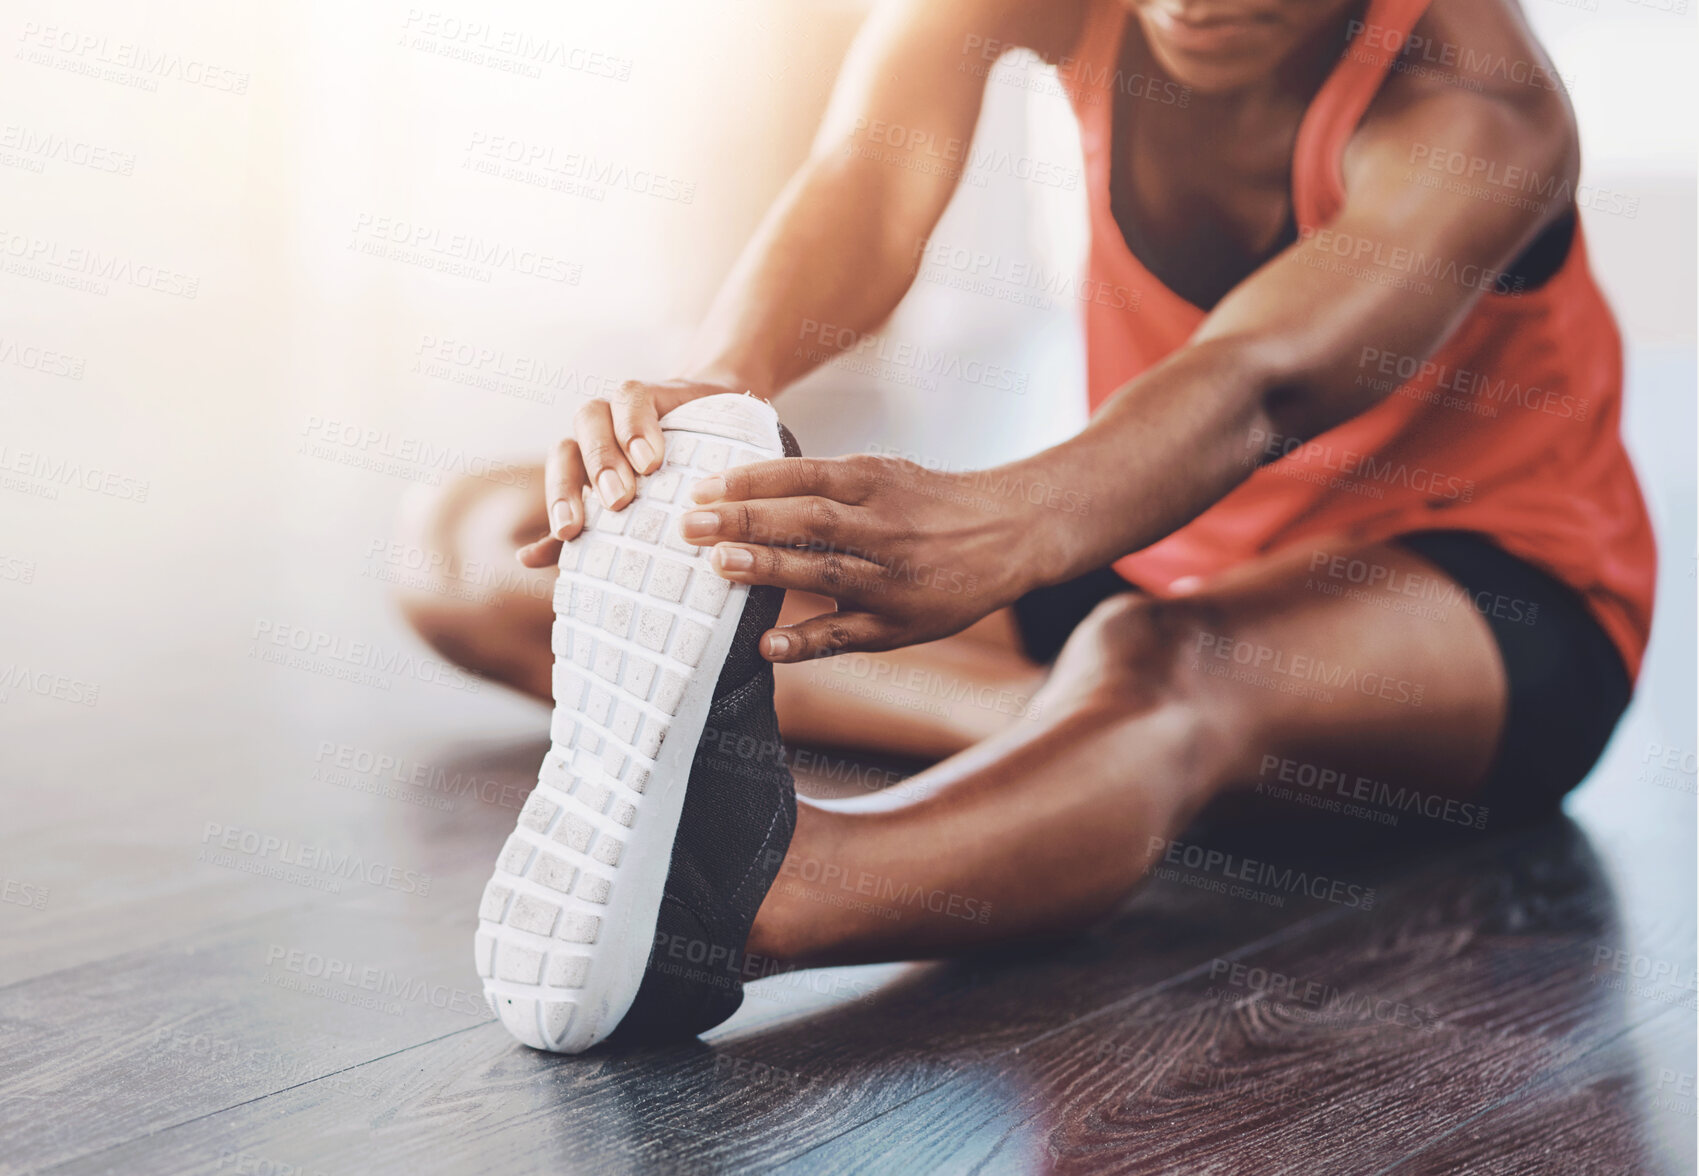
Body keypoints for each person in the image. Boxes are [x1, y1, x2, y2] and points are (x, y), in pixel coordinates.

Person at [403, 0, 1653, 985]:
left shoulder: (1480, 111)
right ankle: (1096, 757)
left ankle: (744, 902)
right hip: (1165, 537)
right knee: (482, 548)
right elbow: (872, 177)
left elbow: (1257, 382)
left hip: (1491, 605)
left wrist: (1002, 523)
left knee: (1166, 660)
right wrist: (712, 394)